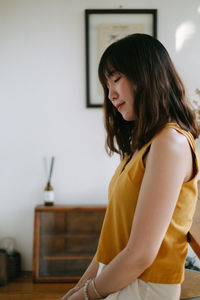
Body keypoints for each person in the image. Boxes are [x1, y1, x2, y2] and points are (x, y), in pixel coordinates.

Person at [61, 34, 199, 300]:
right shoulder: (144, 146)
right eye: (106, 85)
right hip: (118, 278)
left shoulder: (170, 143)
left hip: (143, 287)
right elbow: (108, 247)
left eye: (116, 80)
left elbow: (140, 255)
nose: (111, 94)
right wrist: (78, 288)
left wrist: (86, 295)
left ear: (145, 75)